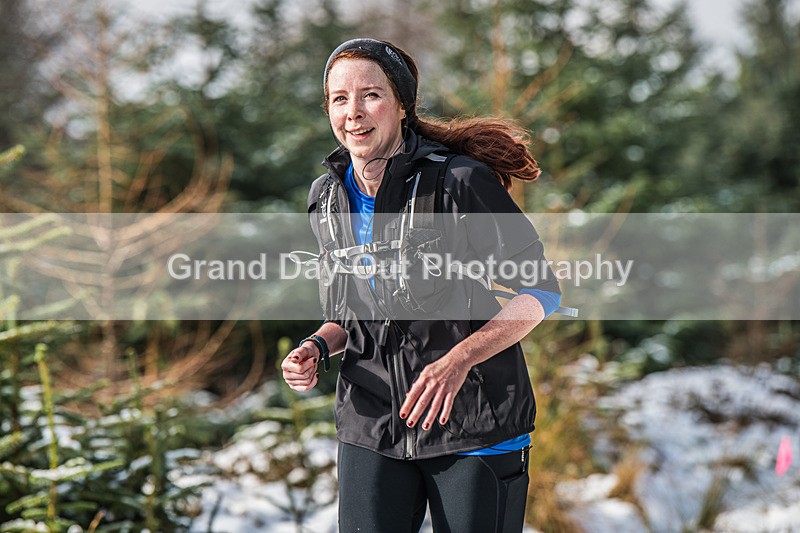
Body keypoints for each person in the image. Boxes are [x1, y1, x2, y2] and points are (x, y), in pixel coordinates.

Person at [281, 38, 563, 533]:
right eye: (339, 98)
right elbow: (351, 315)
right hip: (372, 425)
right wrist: (315, 347)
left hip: (474, 421)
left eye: (370, 95)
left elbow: (541, 293)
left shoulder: (459, 183)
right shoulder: (327, 197)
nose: (353, 113)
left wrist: (459, 360)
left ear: (402, 104)